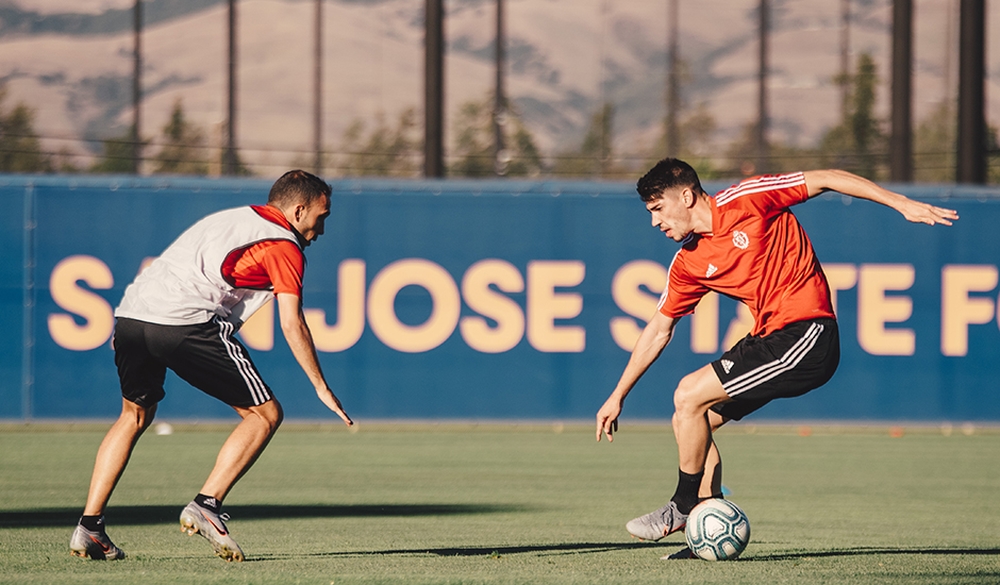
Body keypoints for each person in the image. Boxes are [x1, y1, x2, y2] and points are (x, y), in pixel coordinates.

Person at [595, 159, 957, 557]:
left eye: (657, 209)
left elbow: (827, 178)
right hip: (770, 339)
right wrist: (617, 395)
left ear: (686, 196)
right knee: (690, 419)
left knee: (687, 394)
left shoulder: (747, 200)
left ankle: (681, 507)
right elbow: (658, 330)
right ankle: (703, 532)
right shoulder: (688, 263)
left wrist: (899, 203)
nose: (654, 222)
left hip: (808, 334)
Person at [70, 170, 353, 562]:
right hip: (184, 321)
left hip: (133, 315)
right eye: (321, 217)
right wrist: (321, 386)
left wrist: (129, 325)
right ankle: (207, 504)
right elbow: (292, 322)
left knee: (133, 416)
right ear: (299, 209)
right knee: (264, 415)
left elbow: (170, 265)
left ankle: (89, 527)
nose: (321, 229)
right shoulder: (283, 244)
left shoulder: (229, 218)